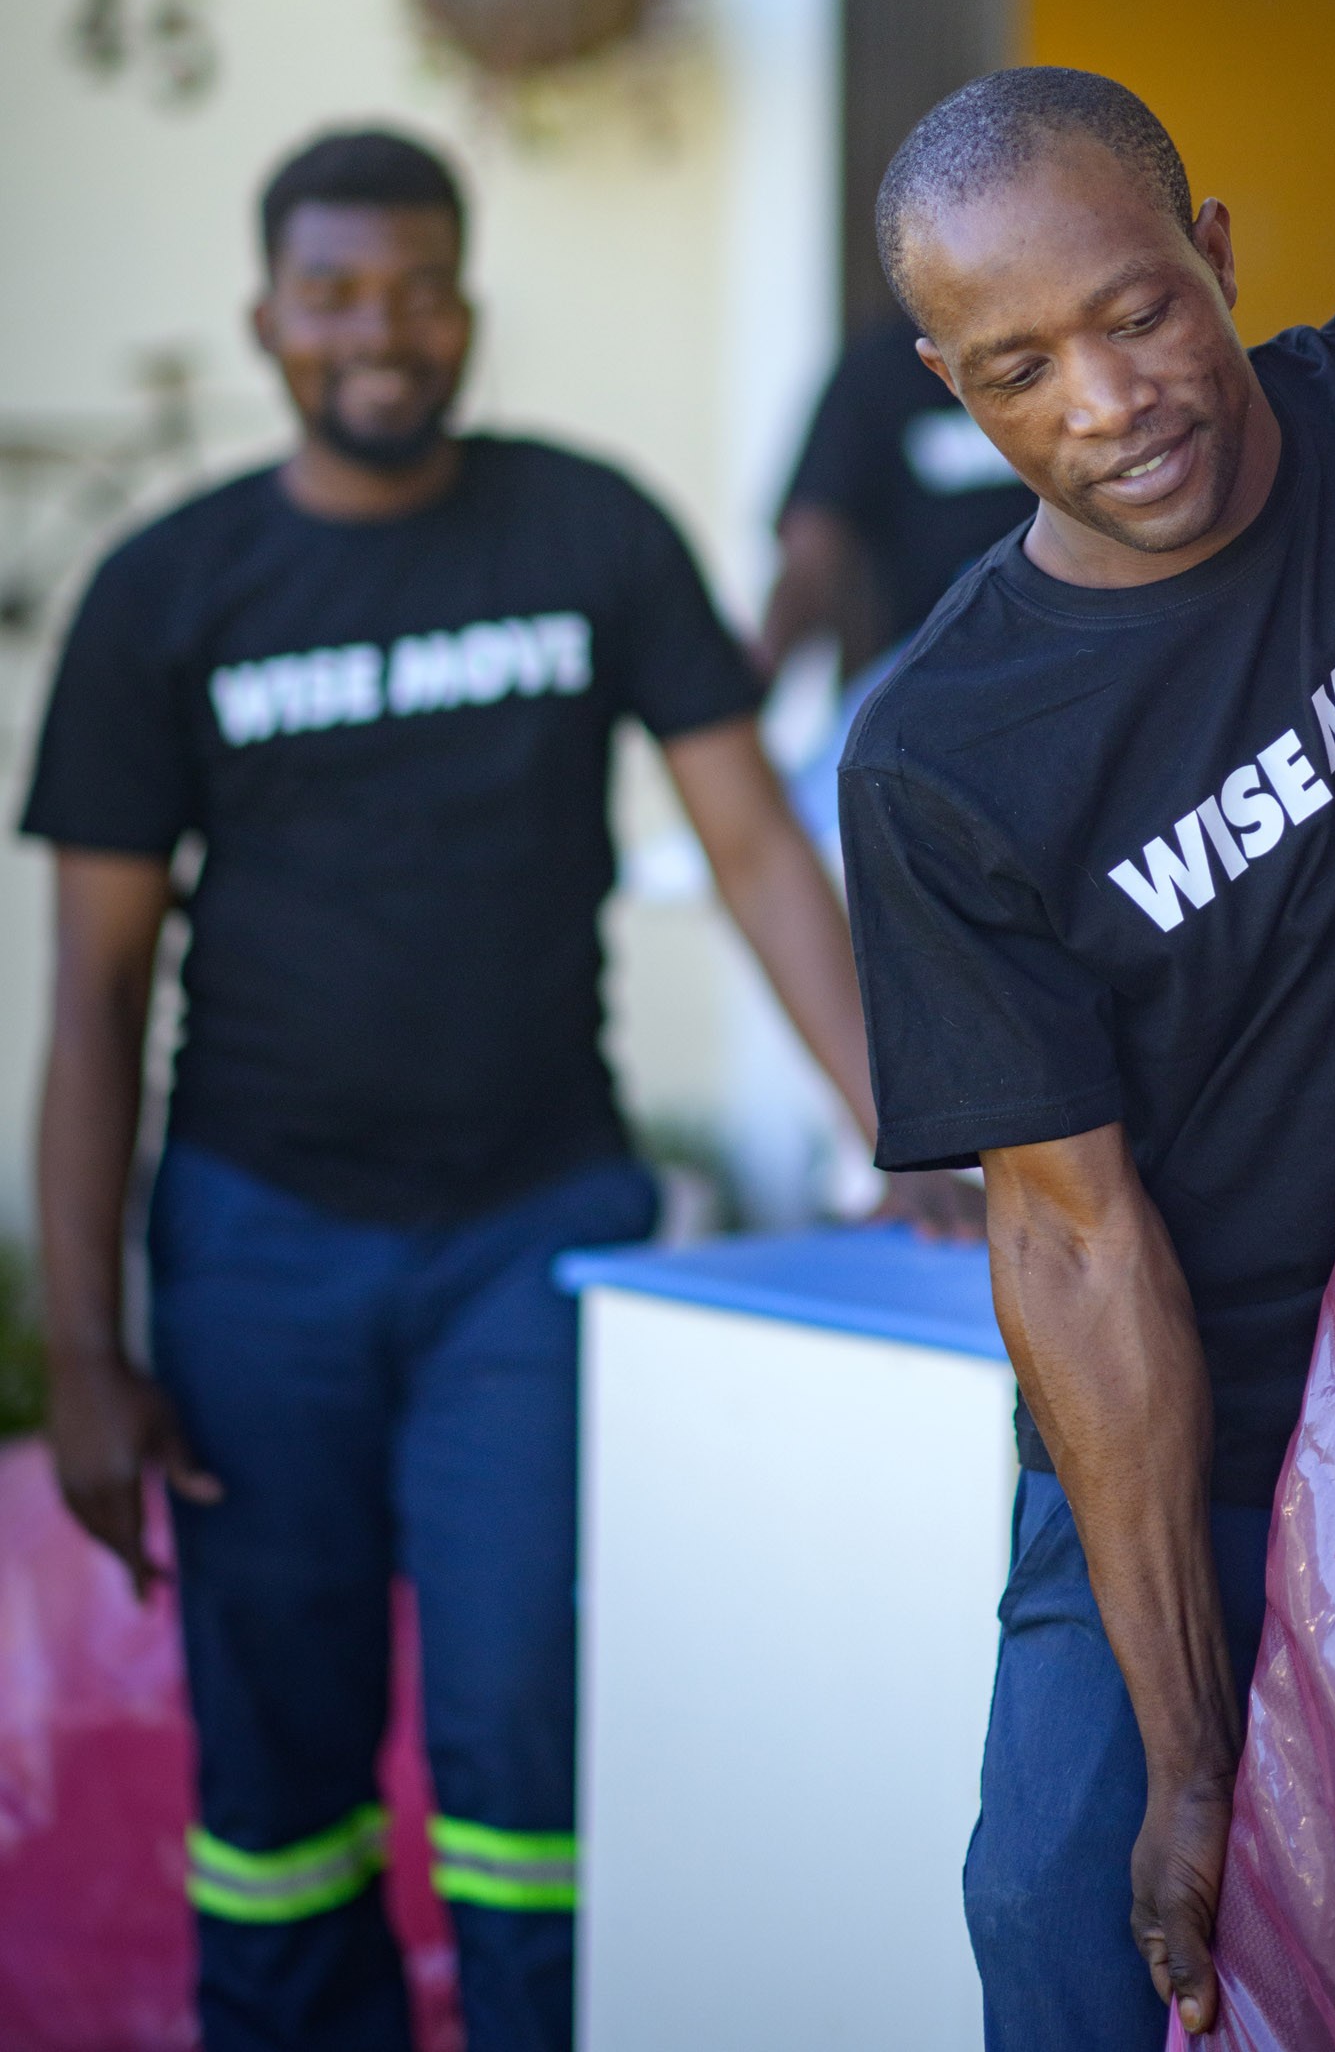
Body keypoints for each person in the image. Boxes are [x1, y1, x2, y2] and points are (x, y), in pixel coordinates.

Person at [22, 125, 915, 2052]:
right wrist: (86, 1341)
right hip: (258, 1247)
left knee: (529, 1738)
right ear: (266, 317)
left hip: (532, 1235)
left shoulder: (586, 529)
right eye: (335, 293)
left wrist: (901, 1125)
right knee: (276, 1765)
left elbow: (755, 845)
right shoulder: (169, 589)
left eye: (421, 288)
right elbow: (93, 991)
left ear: (467, 302)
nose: (383, 329)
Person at [838, 68, 1335, 2049]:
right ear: (950, 385)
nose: (1109, 402)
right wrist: (1188, 1754)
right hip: (1200, 1439)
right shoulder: (944, 755)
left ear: (1213, 251)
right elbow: (1070, 1239)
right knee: (1069, 1918)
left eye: (1138, 312)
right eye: (1018, 370)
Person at [759, 309, 1030, 682]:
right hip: (921, 657)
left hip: (1071, 634)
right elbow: (813, 540)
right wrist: (756, 684)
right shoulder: (878, 371)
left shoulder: (1067, 363)